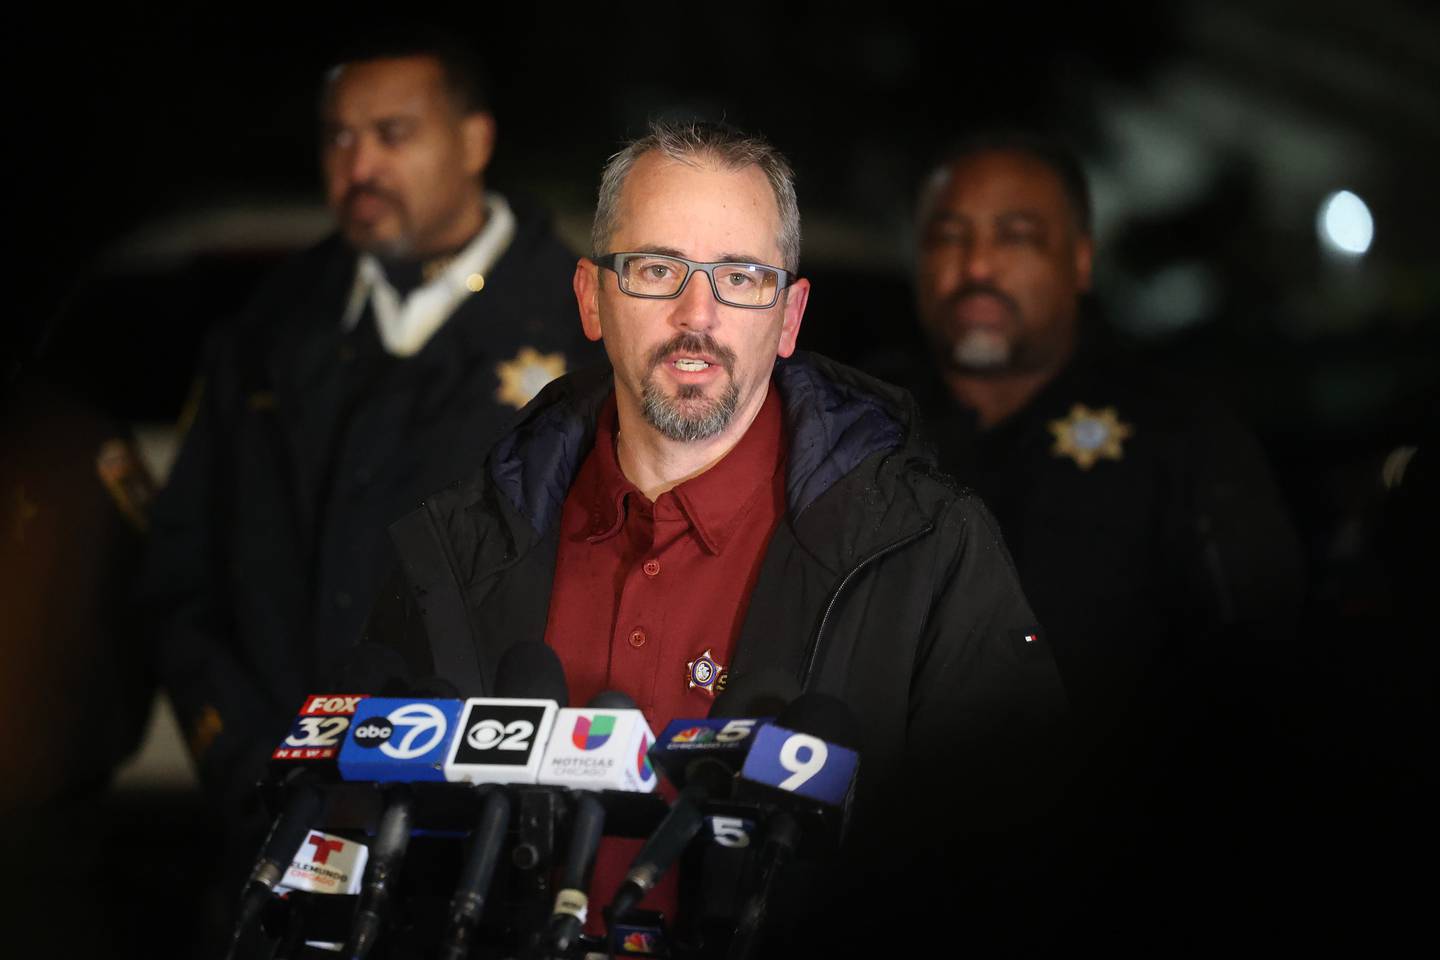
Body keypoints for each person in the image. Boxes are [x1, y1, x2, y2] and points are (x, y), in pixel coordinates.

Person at [363, 120, 1070, 953]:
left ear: (789, 314)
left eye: (741, 277)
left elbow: (1024, 874)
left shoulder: (926, 552)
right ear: (592, 297)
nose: (697, 316)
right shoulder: (454, 548)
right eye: (658, 269)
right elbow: (369, 846)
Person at [137, 29, 594, 924]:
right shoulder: (270, 328)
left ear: (474, 141)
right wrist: (248, 764)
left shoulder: (588, 330)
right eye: (339, 138)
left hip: (491, 862)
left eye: (394, 134)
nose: (360, 165)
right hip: (277, 837)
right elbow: (179, 576)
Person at [903, 131, 1307, 947]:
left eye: (1018, 236)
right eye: (951, 236)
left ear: (1080, 261)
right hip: (894, 891)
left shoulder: (1180, 434)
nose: (978, 266)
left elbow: (1266, 684)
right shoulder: (861, 431)